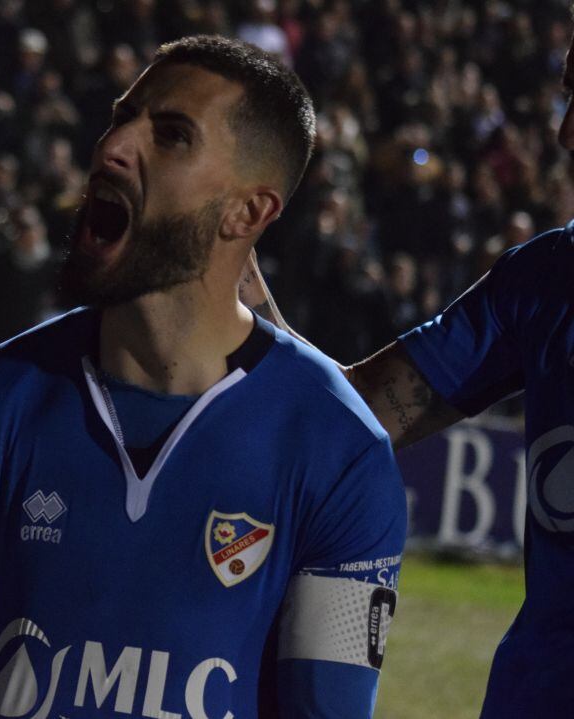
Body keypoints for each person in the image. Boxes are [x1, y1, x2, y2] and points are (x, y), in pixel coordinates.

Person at [0, 35, 405, 718]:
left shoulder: (342, 450)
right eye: (122, 117)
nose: (114, 147)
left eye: (171, 135)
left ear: (248, 211)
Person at [238, 21, 574, 718]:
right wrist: (237, 284)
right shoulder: (545, 280)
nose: (567, 136)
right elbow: (359, 410)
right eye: (568, 99)